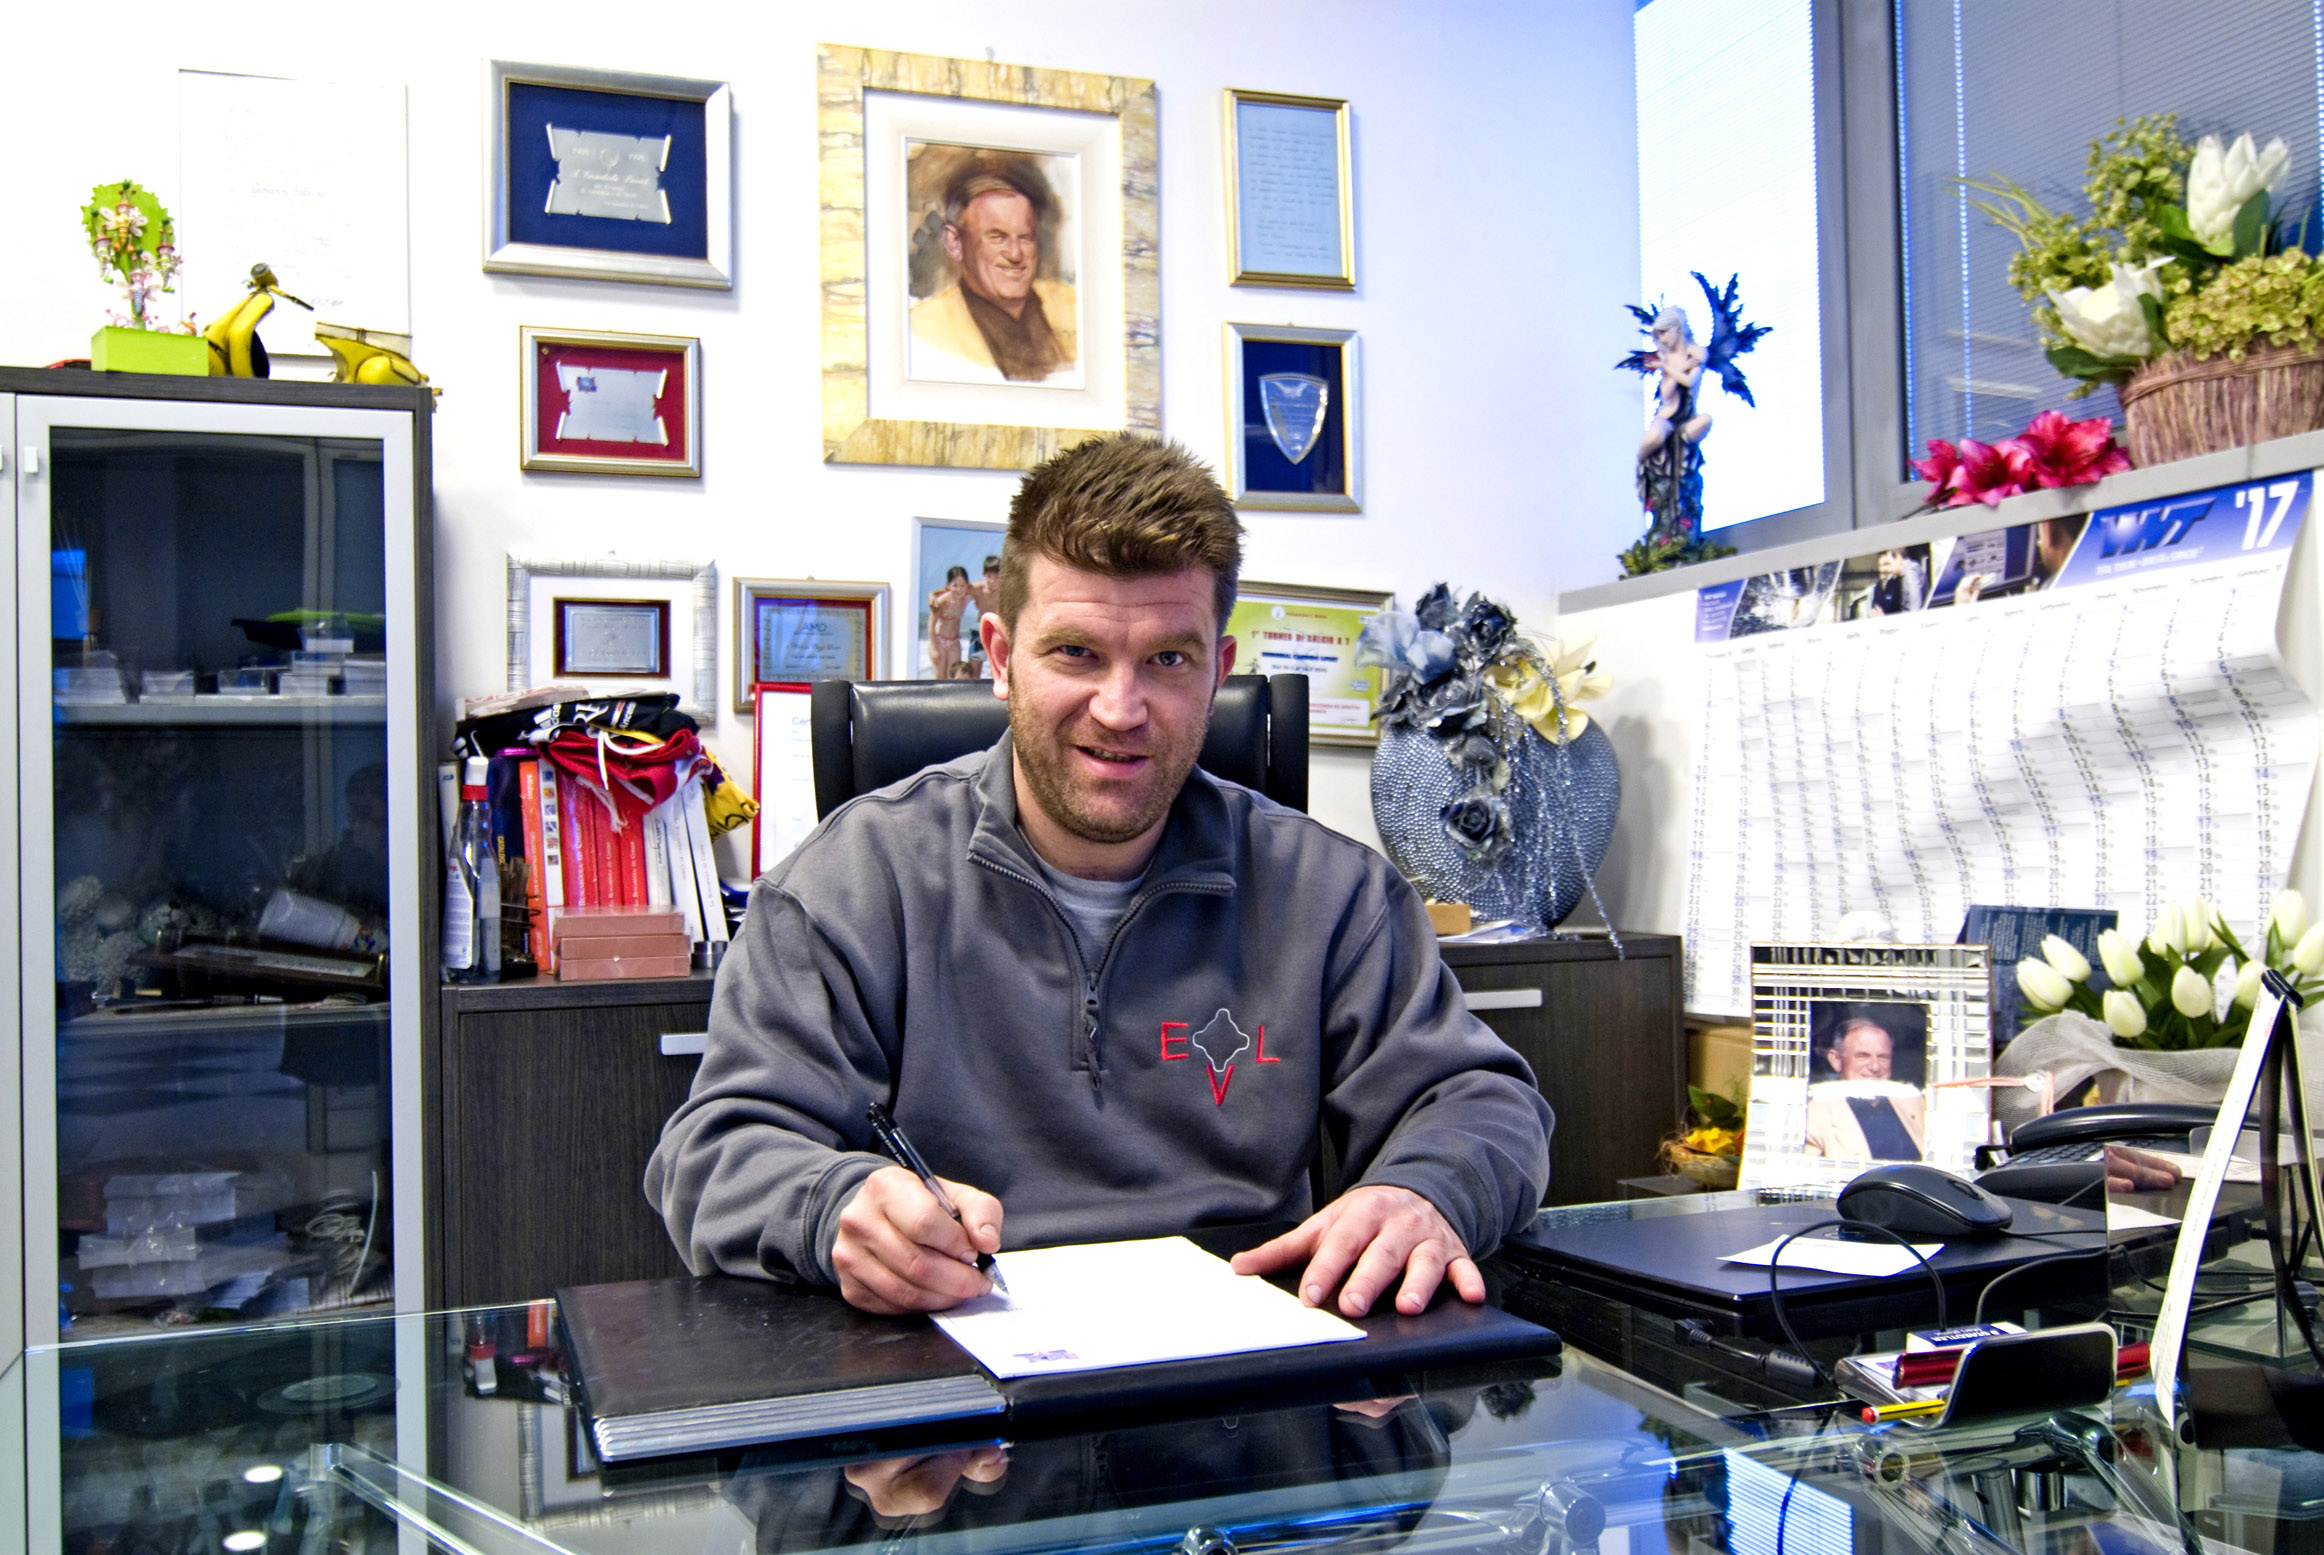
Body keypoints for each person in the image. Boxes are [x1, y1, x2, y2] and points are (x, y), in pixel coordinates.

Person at [647, 434, 1551, 1320]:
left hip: (1249, 1366)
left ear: (1218, 673)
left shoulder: (1333, 895)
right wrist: (834, 1204)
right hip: (956, 1363)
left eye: (1167, 659)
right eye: (1076, 652)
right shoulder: (850, 883)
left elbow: (1483, 1101)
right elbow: (714, 1153)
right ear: (1000, 657)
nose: (1120, 710)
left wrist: (1425, 1191)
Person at [909, 166, 1078, 384]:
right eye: (997, 237)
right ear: (955, 243)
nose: (1015, 254)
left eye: (1025, 238)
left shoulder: (1073, 307)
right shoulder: (922, 329)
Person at [1802, 1018, 1926, 1161]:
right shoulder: (1814, 1115)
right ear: (1836, 1060)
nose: (1875, 1067)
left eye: (1883, 1057)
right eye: (1862, 1056)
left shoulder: (1915, 1103)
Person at [927, 565, 974, 678]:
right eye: (955, 585)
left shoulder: (966, 598)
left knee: (953, 676)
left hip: (954, 642)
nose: (959, 589)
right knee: (940, 676)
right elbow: (931, 625)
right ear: (948, 585)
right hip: (939, 641)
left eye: (962, 585)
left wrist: (932, 593)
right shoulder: (942, 601)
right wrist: (934, 648)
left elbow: (978, 587)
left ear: (967, 586)